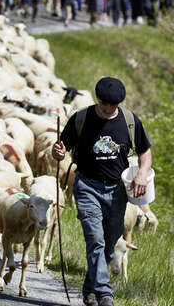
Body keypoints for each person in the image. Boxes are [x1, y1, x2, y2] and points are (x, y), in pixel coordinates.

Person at [52, 77, 152, 306]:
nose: (108, 109)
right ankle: (105, 293)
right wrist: (57, 151)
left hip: (117, 191)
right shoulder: (81, 118)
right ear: (98, 99)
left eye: (113, 105)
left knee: (109, 243)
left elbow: (145, 152)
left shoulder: (129, 121)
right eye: (104, 104)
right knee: (95, 240)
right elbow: (60, 149)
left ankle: (90, 288)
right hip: (87, 186)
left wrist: (142, 174)